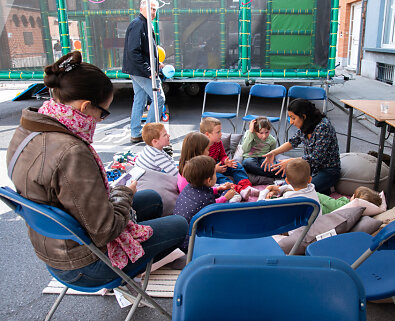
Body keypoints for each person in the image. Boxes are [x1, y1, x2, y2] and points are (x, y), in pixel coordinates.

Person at [6, 51, 187, 288]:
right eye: (103, 112)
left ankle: (139, 258)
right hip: (84, 264)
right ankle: (133, 269)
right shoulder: (71, 151)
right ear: (84, 106)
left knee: (152, 198)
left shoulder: (27, 130)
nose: (101, 120)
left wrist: (117, 197)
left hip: (56, 247)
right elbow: (105, 231)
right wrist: (123, 193)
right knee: (179, 225)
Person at [262, 98, 341, 194]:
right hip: (308, 168)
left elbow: (316, 158)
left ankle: (324, 187)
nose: (291, 122)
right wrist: (273, 153)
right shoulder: (306, 125)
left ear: (304, 117)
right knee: (284, 185)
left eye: (293, 118)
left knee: (300, 191)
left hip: (328, 171)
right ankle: (322, 189)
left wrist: (292, 161)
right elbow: (292, 142)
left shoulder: (323, 127)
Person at [122, 0, 166, 143]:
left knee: (139, 100)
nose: (153, 12)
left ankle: (136, 132)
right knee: (159, 98)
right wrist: (149, 70)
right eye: (151, 9)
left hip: (138, 70)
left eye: (155, 10)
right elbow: (134, 51)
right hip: (142, 71)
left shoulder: (142, 23)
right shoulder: (139, 24)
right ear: (141, 8)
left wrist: (156, 63)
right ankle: (150, 133)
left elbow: (143, 50)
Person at [173, 155, 235, 252]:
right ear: (209, 180)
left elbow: (206, 190)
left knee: (222, 192)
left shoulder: (188, 187)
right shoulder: (205, 199)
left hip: (179, 235)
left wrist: (219, 188)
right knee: (226, 200)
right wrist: (225, 197)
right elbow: (214, 208)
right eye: (215, 174)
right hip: (191, 242)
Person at [200, 117, 258, 200]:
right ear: (207, 134)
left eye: (221, 131)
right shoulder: (201, 146)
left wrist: (226, 161)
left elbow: (223, 155)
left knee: (237, 165)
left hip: (219, 165)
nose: (221, 134)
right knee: (218, 177)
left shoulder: (218, 142)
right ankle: (236, 190)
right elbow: (200, 167)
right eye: (218, 132)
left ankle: (247, 187)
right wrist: (214, 169)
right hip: (209, 171)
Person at [177, 132, 237, 202]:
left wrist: (218, 188)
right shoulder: (194, 175)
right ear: (199, 152)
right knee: (230, 194)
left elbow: (204, 191)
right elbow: (204, 204)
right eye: (207, 149)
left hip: (204, 197)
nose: (208, 153)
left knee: (227, 189)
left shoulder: (186, 167)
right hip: (206, 206)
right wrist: (225, 198)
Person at [317, 186, 383, 214]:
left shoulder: (344, 206)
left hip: (318, 210)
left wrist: (315, 193)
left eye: (354, 195)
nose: (353, 194)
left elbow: (327, 200)